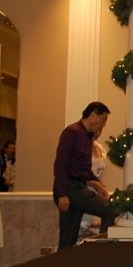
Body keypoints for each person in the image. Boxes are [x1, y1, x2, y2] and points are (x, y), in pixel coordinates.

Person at [52, 102, 115, 250]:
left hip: (77, 188)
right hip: (70, 189)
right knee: (110, 210)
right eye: (103, 120)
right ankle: (103, 253)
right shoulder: (72, 132)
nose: (103, 125)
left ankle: (63, 261)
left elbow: (83, 169)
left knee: (68, 237)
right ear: (93, 115)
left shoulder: (87, 137)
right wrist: (62, 194)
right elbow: (60, 165)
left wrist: (95, 183)